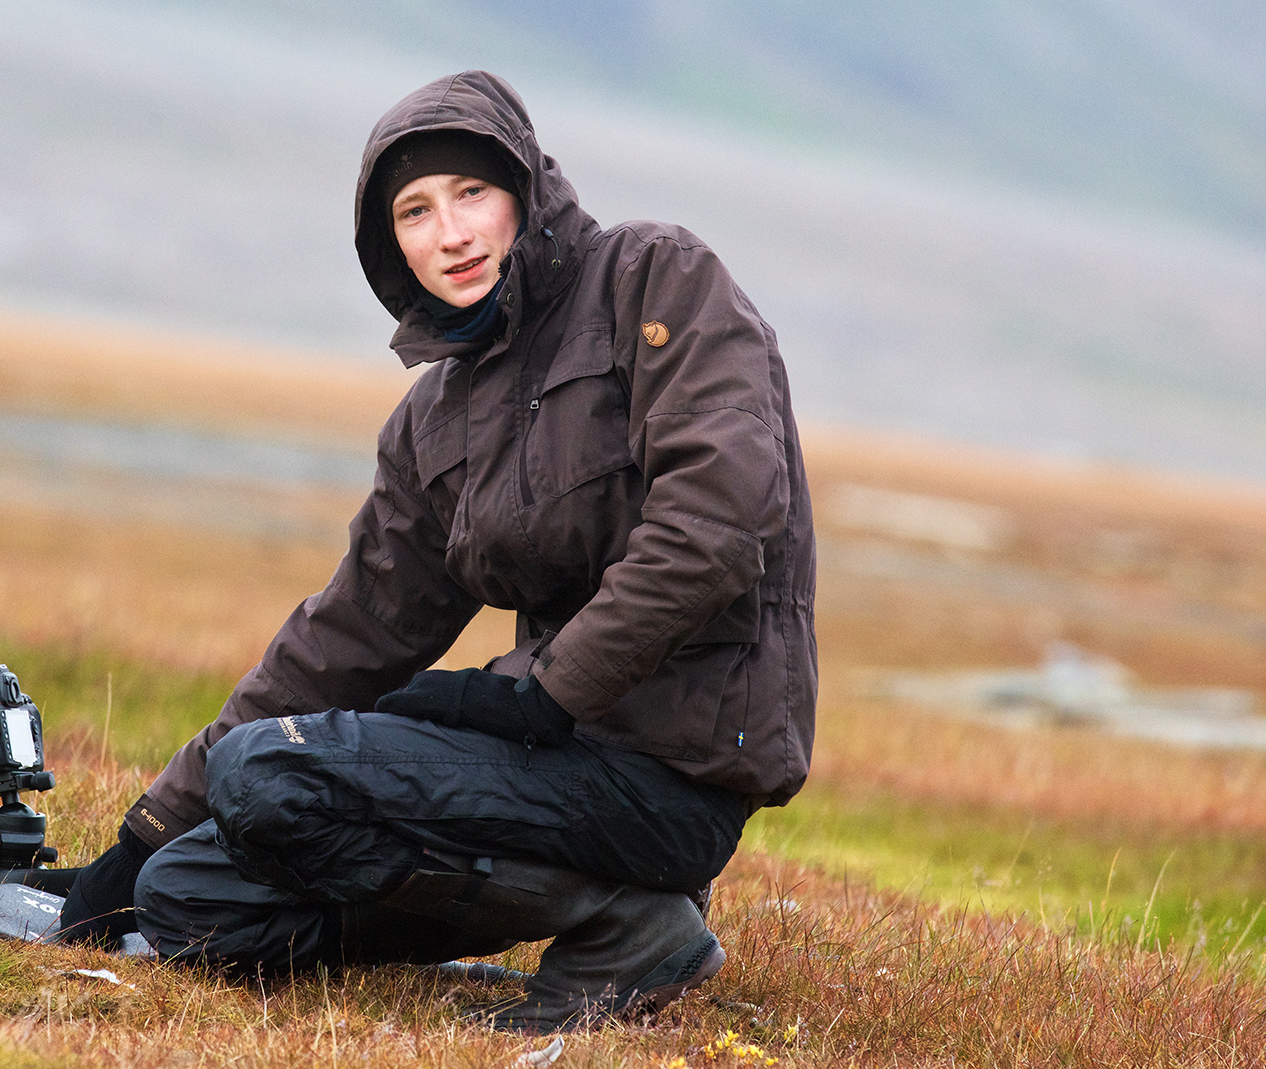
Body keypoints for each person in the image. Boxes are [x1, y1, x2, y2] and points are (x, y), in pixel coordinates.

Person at [57, 69, 817, 1033]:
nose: (449, 233)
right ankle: (603, 907)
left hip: (670, 778)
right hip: (543, 775)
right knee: (187, 896)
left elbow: (719, 522)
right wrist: (144, 834)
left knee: (272, 777)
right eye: (414, 211)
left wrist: (539, 690)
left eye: (471, 194)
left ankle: (627, 921)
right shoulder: (436, 417)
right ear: (389, 245)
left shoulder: (653, 280)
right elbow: (349, 634)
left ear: (526, 192)